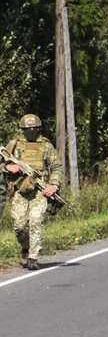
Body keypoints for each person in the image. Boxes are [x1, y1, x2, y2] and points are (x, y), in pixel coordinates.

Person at [3, 114, 63, 269]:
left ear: (38, 129)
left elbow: (56, 167)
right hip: (20, 190)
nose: (31, 131)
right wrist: (8, 167)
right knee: (19, 225)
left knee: (36, 220)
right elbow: (2, 162)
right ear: (22, 129)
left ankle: (33, 258)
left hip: (39, 190)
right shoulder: (14, 144)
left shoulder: (46, 146)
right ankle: (25, 247)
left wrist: (54, 185)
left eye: (34, 129)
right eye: (28, 129)